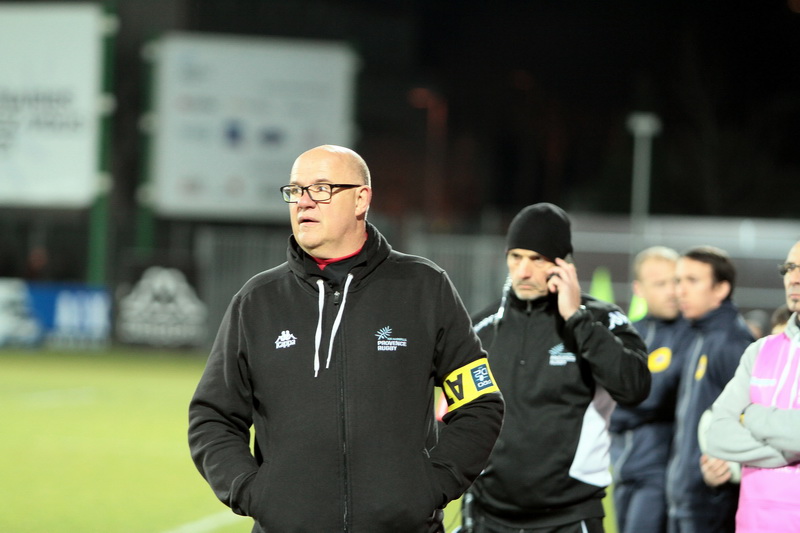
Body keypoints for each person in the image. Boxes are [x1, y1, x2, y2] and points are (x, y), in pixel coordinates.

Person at [188, 145, 505, 533]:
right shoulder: (258, 301)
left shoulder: (424, 287)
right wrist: (252, 491)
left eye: (320, 188)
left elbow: (479, 401)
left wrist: (431, 483)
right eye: (295, 190)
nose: (304, 202)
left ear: (361, 199)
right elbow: (212, 416)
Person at [465, 202, 651, 533]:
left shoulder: (601, 320)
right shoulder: (482, 327)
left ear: (562, 263)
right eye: (515, 257)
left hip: (568, 518)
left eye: (536, 259)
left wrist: (576, 319)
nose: (522, 271)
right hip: (487, 516)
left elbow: (635, 387)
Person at [703, 240, 800, 532]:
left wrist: (750, 416)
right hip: (751, 522)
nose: (794, 278)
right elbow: (716, 434)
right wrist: (791, 448)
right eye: (790, 268)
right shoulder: (760, 350)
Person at [665, 245, 754, 533]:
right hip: (688, 495)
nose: (680, 290)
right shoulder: (700, 335)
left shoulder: (730, 342)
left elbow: (751, 416)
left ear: (721, 289)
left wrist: (729, 469)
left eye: (692, 281)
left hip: (710, 499)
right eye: (678, 280)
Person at [609, 246, 687, 533]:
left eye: (676, 281)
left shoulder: (690, 333)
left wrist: (619, 408)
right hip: (622, 466)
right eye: (661, 284)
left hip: (661, 470)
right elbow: (604, 394)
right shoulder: (629, 333)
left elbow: (656, 397)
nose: (672, 291)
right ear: (638, 289)